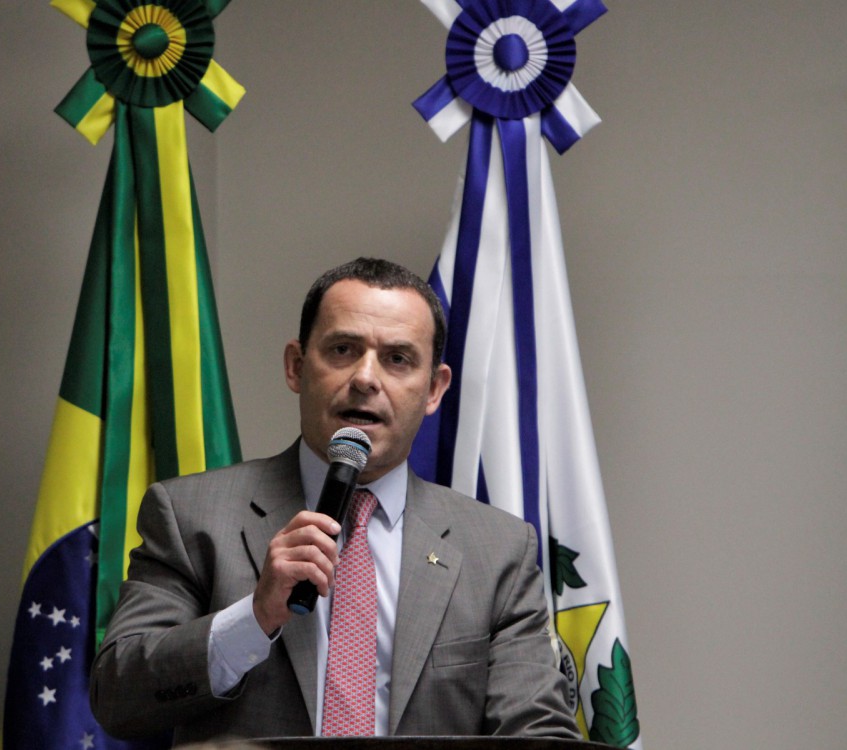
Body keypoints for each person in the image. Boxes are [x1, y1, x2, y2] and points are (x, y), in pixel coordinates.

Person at [91, 258, 579, 742]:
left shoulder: (498, 550)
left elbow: (535, 729)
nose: (366, 378)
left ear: (434, 389)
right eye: (343, 350)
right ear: (297, 367)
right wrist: (254, 618)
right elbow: (118, 696)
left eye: (398, 359)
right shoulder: (191, 516)